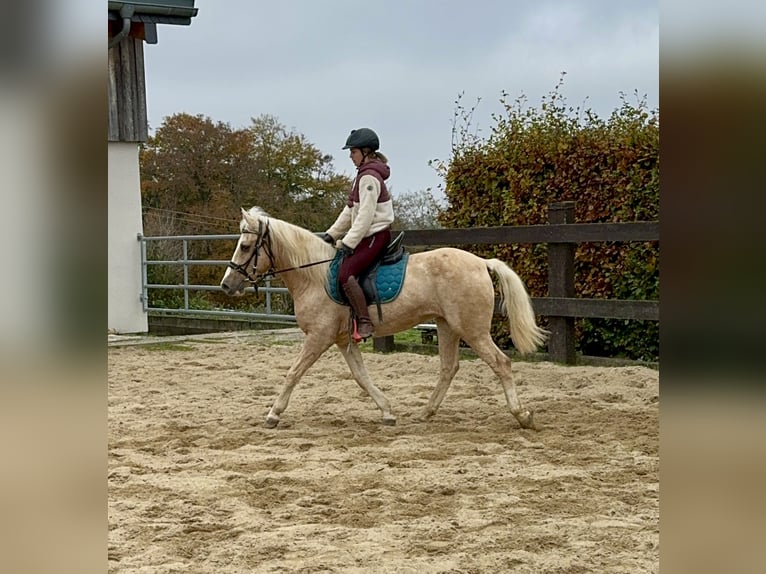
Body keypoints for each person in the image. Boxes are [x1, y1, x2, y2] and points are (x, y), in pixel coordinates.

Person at [321, 128, 394, 341]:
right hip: (366, 236)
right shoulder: (362, 175)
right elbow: (350, 210)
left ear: (365, 151)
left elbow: (365, 215)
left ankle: (364, 321)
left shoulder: (369, 177)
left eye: (353, 151)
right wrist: (332, 234)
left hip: (375, 236)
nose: (350, 156)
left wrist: (348, 242)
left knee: (346, 273)